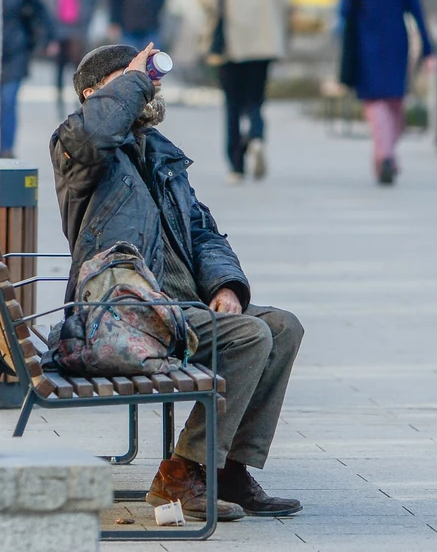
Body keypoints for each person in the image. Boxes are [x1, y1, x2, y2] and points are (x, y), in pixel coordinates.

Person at [51, 43, 304, 521]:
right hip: (126, 316)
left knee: (284, 326)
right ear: (91, 95)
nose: (148, 86)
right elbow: (97, 132)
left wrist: (225, 285)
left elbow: (203, 228)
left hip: (183, 312)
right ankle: (181, 475)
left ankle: (228, 469)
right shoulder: (77, 148)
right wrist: (135, 77)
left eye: (148, 78)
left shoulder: (162, 155)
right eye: (127, 79)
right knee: (251, 336)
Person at [197, 0, 288, 184]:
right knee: (257, 97)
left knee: (232, 101)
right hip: (263, 39)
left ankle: (236, 165)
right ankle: (258, 136)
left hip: (230, 40)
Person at [340, 0, 434, 185]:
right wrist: (427, 47)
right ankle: (386, 154)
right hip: (396, 42)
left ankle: (384, 155)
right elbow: (415, 9)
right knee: (394, 103)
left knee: (375, 103)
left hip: (365, 44)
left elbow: (346, 11)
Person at [40, 0, 99, 115]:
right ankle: (59, 104)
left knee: (79, 66)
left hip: (78, 26)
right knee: (59, 65)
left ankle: (79, 103)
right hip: (56, 25)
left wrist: (87, 15)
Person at [1, 0, 55, 158]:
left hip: (14, 50)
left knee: (8, 100)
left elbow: (36, 6)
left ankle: (6, 150)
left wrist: (47, 37)